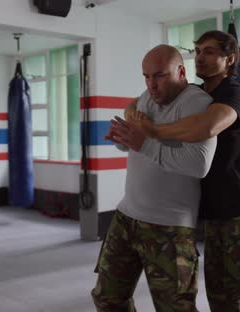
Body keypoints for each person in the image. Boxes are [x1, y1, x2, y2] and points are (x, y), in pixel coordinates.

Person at [117, 30, 240, 312]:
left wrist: (151, 131)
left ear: (230, 59)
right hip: (215, 207)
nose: (200, 57)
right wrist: (134, 116)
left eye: (210, 51)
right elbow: (133, 104)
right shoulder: (198, 94)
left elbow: (207, 127)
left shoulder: (234, 93)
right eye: (198, 50)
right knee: (218, 290)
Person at [91, 44, 217, 312]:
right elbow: (136, 145)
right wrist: (122, 139)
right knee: (107, 298)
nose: (152, 85)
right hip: (126, 216)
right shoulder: (146, 98)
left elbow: (198, 165)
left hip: (169, 226)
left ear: (181, 72)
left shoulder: (196, 102)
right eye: (146, 77)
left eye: (159, 76)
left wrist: (143, 143)